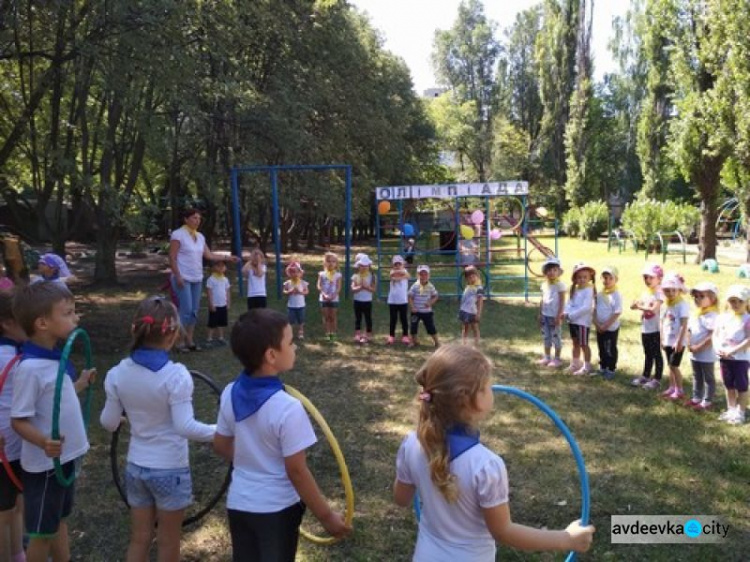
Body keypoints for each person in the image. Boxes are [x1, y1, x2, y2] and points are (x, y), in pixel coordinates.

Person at [393, 344, 595, 561]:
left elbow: (401, 499)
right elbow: (503, 531)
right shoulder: (486, 466)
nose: (492, 389)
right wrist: (566, 539)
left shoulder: (411, 444)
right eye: (487, 386)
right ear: (473, 400)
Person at [213, 309, 351, 560]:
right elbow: (297, 471)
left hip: (239, 504)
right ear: (271, 355)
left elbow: (221, 445)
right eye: (290, 342)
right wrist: (327, 517)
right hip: (276, 509)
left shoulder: (229, 392)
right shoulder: (288, 408)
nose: (295, 347)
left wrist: (249, 458)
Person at [99, 296, 216, 562]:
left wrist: (122, 419)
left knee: (139, 538)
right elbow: (185, 426)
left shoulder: (117, 374)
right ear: (173, 334)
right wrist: (220, 431)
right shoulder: (176, 376)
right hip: (169, 469)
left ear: (134, 329)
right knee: (168, 542)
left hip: (136, 469)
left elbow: (108, 422)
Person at [10, 282, 95, 562]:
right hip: (47, 466)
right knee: (42, 533)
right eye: (68, 313)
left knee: (58, 520)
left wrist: (80, 384)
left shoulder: (54, 360)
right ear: (43, 323)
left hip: (64, 458)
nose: (76, 318)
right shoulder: (29, 369)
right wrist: (44, 442)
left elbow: (56, 398)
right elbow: (18, 421)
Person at [169, 208, 238, 352]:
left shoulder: (200, 236)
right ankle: (180, 341)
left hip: (197, 278)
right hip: (183, 277)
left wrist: (227, 258)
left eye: (199, 218)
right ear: (186, 219)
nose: (197, 221)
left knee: (194, 310)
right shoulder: (178, 234)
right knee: (186, 309)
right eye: (194, 218)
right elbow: (172, 257)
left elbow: (209, 255)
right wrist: (177, 276)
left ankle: (190, 339)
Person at [0, 290, 26, 562]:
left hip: (15, 447)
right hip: (4, 450)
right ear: (7, 323)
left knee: (17, 504)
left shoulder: (17, 356)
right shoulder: (6, 358)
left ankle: (18, 553)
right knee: (3, 512)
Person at [713, 285, 750, 425]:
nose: (736, 304)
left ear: (747, 302)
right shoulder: (722, 318)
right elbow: (715, 335)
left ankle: (741, 412)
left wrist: (732, 351)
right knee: (728, 384)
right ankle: (731, 409)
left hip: (740, 359)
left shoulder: (747, 319)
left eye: (740, 301)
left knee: (741, 385)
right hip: (724, 358)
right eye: (733, 301)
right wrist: (717, 348)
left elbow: (748, 339)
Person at [685, 282, 719, 411]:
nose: (697, 299)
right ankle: (696, 397)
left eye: (701, 296)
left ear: (712, 299)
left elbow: (712, 335)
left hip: (706, 353)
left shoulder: (713, 316)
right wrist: (689, 343)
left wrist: (699, 347)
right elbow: (689, 329)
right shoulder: (696, 313)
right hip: (694, 352)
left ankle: (707, 400)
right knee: (696, 375)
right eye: (695, 297)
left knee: (708, 377)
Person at [630, 263, 665, 389]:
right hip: (646, 327)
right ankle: (645, 375)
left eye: (651, 277)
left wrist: (638, 307)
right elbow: (643, 306)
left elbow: (653, 310)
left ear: (659, 278)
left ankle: (657, 378)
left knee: (656, 353)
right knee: (648, 353)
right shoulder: (647, 292)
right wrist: (636, 305)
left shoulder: (660, 293)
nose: (648, 280)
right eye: (645, 277)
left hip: (656, 328)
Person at [659, 273, 690, 401]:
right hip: (667, 339)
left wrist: (679, 341)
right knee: (670, 365)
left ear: (679, 290)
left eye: (673, 290)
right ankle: (671, 387)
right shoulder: (665, 304)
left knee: (674, 365)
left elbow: (684, 324)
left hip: (678, 341)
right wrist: (661, 338)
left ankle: (679, 390)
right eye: (667, 290)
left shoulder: (682, 305)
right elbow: (661, 321)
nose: (670, 293)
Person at [563, 263, 596, 375]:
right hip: (573, 321)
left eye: (585, 277)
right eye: (579, 277)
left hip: (582, 322)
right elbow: (569, 303)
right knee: (575, 343)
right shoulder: (574, 289)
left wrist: (571, 315)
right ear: (575, 278)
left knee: (584, 344)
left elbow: (586, 307)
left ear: (590, 277)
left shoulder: (589, 290)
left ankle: (587, 366)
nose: (582, 279)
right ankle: (576, 363)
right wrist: (566, 312)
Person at [537, 257, 566, 368]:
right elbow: (542, 299)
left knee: (556, 337)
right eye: (549, 270)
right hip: (545, 315)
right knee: (546, 337)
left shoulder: (560, 285)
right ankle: (547, 356)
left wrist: (559, 315)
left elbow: (562, 301)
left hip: (555, 316)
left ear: (558, 272)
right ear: (545, 272)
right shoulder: (544, 285)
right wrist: (540, 313)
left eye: (554, 270)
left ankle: (557, 358)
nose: (552, 272)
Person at [594, 266, 622, 380]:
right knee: (601, 347)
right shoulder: (600, 294)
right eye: (605, 278)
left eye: (610, 278)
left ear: (615, 280)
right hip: (600, 327)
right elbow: (594, 309)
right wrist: (597, 324)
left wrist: (606, 325)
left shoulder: (616, 295)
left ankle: (611, 368)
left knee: (610, 348)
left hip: (611, 328)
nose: (607, 281)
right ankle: (603, 366)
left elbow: (617, 312)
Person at [408, 265, 440, 348]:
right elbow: (410, 297)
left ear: (429, 275)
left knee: (430, 327)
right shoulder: (415, 286)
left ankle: (436, 342)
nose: (423, 276)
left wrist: (430, 302)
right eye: (421, 274)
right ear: (417, 275)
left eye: (425, 274)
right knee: (413, 327)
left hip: (427, 312)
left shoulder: (431, 286)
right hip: (416, 311)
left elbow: (436, 296)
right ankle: (413, 341)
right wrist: (412, 307)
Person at [317, 252, 342, 342]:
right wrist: (323, 293)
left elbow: (339, 287)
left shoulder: (338, 275)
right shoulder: (322, 274)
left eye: (333, 261)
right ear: (325, 263)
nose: (331, 263)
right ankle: (328, 333)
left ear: (336, 264)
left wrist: (334, 294)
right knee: (326, 317)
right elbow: (319, 285)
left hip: (334, 298)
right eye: (328, 261)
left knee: (333, 316)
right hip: (323, 298)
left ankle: (333, 333)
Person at [351, 255, 376, 344]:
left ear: (369, 266)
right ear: (358, 266)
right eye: (362, 265)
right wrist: (360, 287)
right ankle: (358, 334)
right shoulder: (355, 276)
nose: (364, 267)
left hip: (367, 301)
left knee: (368, 318)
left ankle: (368, 335)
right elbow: (353, 289)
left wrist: (366, 287)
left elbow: (373, 290)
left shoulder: (372, 276)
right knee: (358, 318)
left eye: (366, 265)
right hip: (357, 300)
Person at [206, 260, 231, 347]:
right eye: (218, 266)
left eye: (223, 266)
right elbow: (209, 293)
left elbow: (227, 291)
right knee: (212, 322)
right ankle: (209, 339)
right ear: (213, 268)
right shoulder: (211, 279)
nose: (221, 268)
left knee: (222, 322)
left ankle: (221, 337)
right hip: (214, 305)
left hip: (223, 304)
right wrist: (211, 304)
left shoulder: (225, 279)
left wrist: (228, 302)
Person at [387, 255, 411, 345]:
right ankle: (391, 336)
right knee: (393, 319)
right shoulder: (392, 271)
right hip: (392, 301)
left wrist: (401, 273)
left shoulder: (405, 271)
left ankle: (405, 335)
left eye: (399, 264)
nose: (397, 266)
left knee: (403, 319)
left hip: (403, 301)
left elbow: (408, 276)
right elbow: (393, 276)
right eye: (395, 264)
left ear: (403, 264)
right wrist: (400, 276)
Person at [282, 261, 309, 340]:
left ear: (300, 273)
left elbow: (306, 291)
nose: (295, 274)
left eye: (297, 272)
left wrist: (300, 292)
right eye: (293, 272)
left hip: (301, 305)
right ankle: (290, 333)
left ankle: (301, 331)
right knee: (291, 320)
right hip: (291, 305)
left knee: (301, 319)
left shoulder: (303, 283)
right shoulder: (288, 283)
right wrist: (289, 292)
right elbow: (284, 291)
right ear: (289, 273)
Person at [459, 266, 484, 346]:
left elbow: (480, 301)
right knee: (465, 328)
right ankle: (464, 343)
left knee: (475, 328)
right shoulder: (468, 286)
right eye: (469, 277)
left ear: (477, 276)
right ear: (466, 279)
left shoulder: (479, 287)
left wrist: (478, 313)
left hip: (473, 312)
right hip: (465, 311)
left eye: (473, 276)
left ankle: (476, 344)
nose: (472, 278)